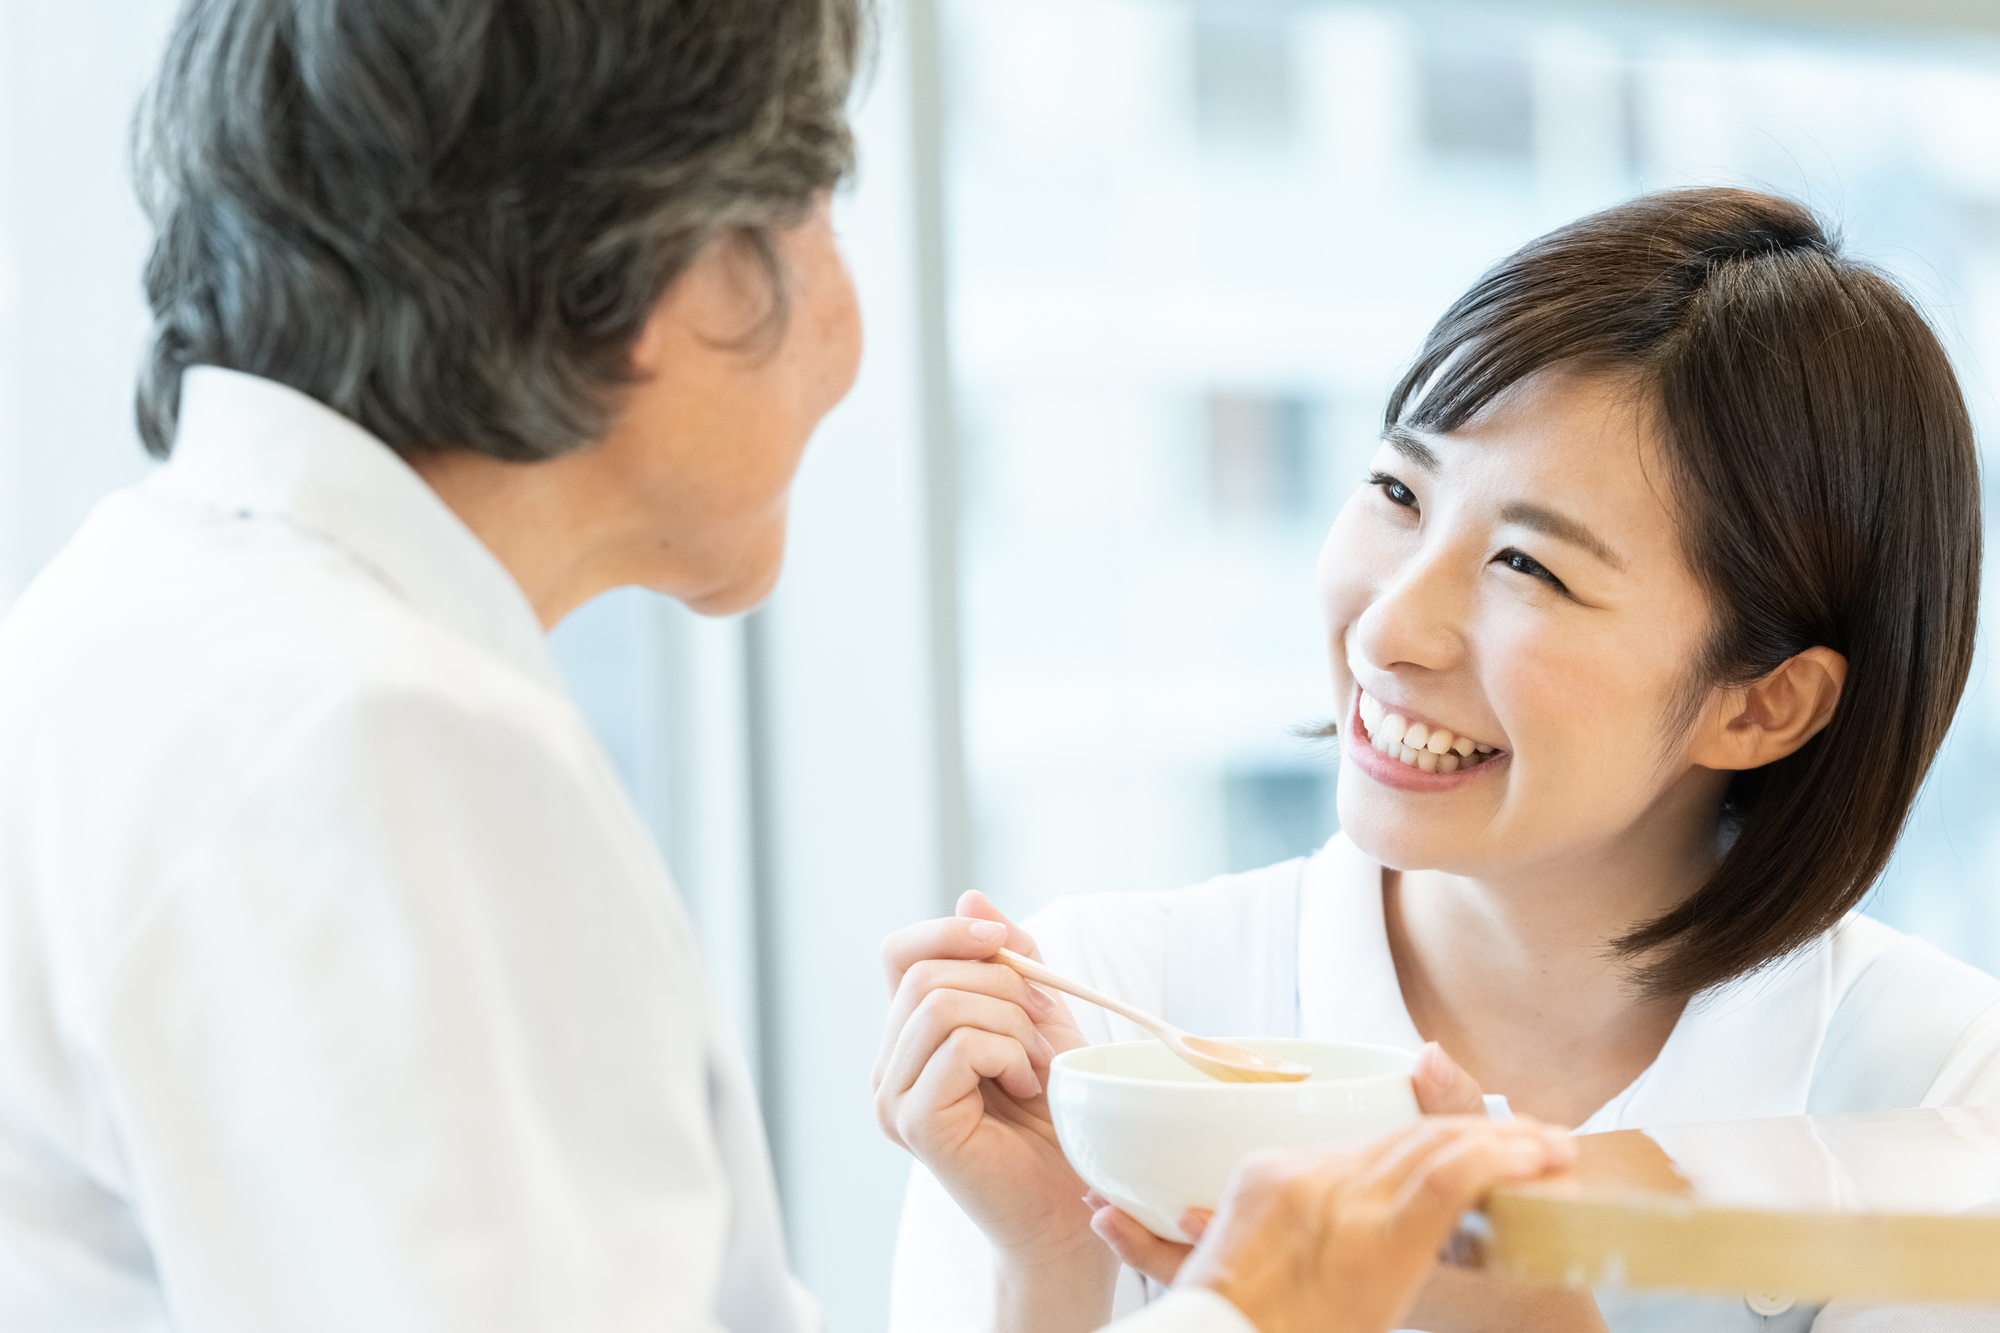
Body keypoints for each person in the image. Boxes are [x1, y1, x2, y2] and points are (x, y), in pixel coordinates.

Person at [0, 2, 1575, 1331]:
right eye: (821, 205)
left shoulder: (150, 624)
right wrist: (1256, 1309)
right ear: (653, 262)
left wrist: (1045, 1271)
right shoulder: (374, 738)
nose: (847, 326)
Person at [877, 189, 2000, 1333]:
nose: (1386, 630)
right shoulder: (1104, 1022)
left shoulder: (1945, 1098)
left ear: (1762, 704)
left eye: (1526, 566)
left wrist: (1519, 1317)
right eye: (1397, 492)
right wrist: (1047, 1270)